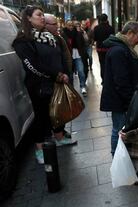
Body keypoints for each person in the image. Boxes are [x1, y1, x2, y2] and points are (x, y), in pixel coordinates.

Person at [12, 5, 70, 164]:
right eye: (39, 15)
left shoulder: (47, 36)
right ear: (28, 18)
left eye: (43, 15)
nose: (42, 17)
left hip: (55, 81)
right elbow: (32, 65)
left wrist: (63, 72)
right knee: (41, 117)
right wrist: (56, 75)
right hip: (39, 85)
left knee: (56, 112)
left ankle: (59, 137)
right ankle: (39, 149)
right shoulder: (23, 40)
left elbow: (58, 56)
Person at [100, 21, 138, 156]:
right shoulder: (119, 50)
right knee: (119, 129)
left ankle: (121, 155)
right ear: (130, 33)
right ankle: (117, 157)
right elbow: (121, 81)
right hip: (119, 100)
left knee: (120, 128)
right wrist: (131, 101)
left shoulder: (122, 47)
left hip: (121, 98)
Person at [44, 13, 78, 146]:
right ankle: (58, 135)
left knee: (62, 106)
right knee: (57, 107)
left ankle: (61, 132)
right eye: (54, 24)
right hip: (56, 78)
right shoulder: (46, 40)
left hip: (63, 75)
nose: (57, 26)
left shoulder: (57, 37)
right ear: (46, 25)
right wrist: (60, 75)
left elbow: (64, 55)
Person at [61, 20, 88, 95]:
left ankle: (83, 86)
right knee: (70, 74)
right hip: (68, 56)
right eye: (69, 25)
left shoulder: (78, 33)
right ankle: (71, 89)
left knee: (81, 71)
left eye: (72, 25)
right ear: (66, 25)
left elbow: (83, 43)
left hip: (78, 54)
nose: (71, 27)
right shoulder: (63, 34)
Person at [93, 14, 114, 84]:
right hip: (109, 48)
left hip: (100, 49)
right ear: (107, 19)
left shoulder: (96, 28)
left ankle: (103, 79)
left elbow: (95, 38)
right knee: (109, 64)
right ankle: (110, 79)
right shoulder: (110, 28)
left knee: (102, 64)